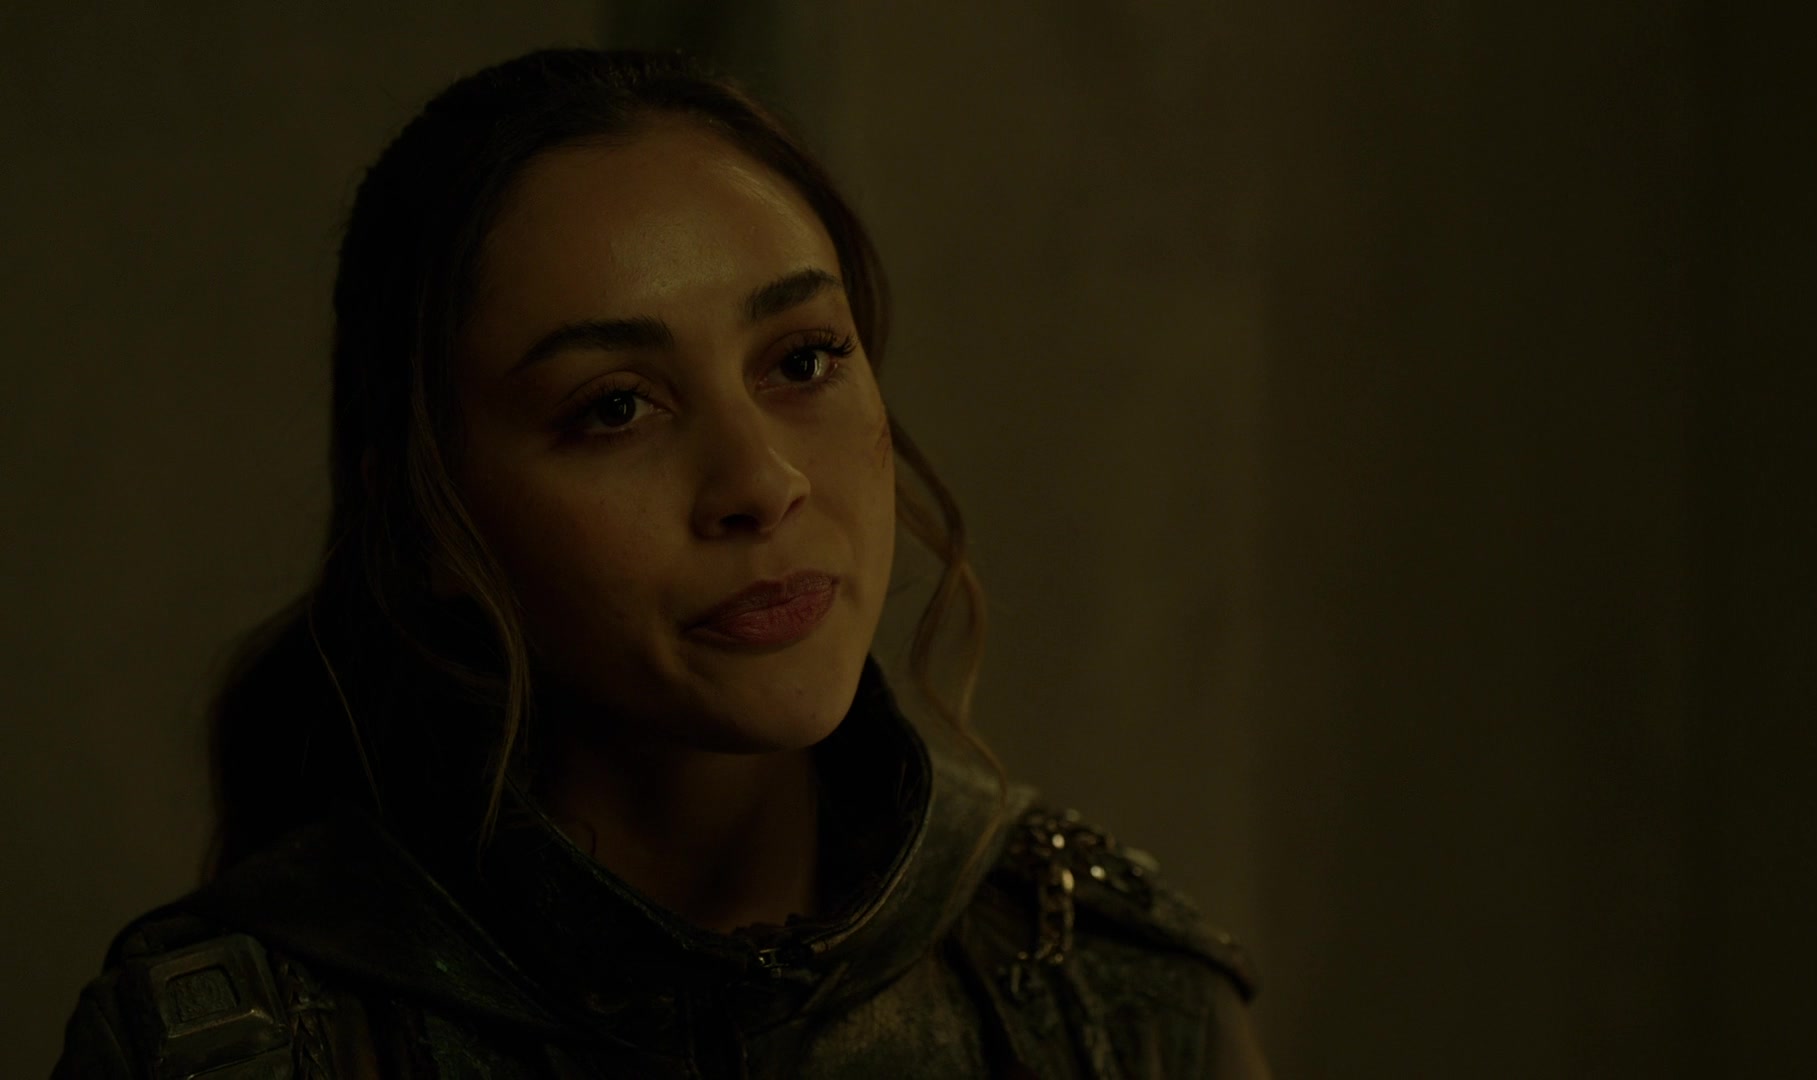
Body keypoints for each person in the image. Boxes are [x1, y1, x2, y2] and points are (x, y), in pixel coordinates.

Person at [52, 48, 1269, 1078]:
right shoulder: (246, 1045)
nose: (762, 483)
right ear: (424, 521)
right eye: (616, 407)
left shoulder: (1105, 1000)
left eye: (802, 361)